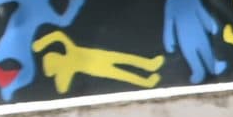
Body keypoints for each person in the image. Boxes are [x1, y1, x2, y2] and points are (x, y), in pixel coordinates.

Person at [0, 0, 85, 102]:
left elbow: (63, 21)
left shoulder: (43, 7)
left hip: (21, 44)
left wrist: (74, 6)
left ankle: (7, 87)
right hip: (11, 40)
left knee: (27, 72)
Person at [35, 31, 165, 93]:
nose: (56, 55)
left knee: (126, 61)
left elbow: (58, 36)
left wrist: (42, 43)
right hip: (98, 67)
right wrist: (41, 44)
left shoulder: (70, 51)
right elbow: (62, 89)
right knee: (124, 72)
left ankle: (149, 65)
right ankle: (146, 79)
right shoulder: (67, 68)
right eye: (53, 58)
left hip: (101, 58)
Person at [160, 0, 231, 85]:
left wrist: (209, 24)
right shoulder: (171, 1)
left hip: (198, 31)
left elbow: (200, 11)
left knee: (205, 48)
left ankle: (213, 66)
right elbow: (169, 22)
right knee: (190, 53)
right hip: (184, 35)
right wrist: (169, 39)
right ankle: (198, 71)